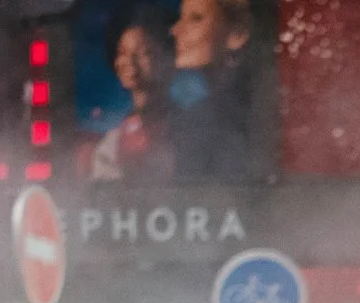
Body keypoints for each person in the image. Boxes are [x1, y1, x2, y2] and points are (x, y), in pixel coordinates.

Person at [167, 0, 257, 182]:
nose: (175, 30)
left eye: (196, 19)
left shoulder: (243, 113)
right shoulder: (193, 107)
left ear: (237, 32)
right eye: (180, 18)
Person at [88, 10, 173, 183]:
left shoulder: (186, 123)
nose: (130, 61)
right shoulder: (113, 137)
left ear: (166, 58)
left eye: (144, 52)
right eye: (122, 52)